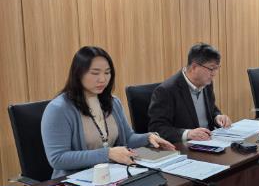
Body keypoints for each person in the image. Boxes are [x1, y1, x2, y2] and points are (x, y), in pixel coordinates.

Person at [41, 46, 175, 178]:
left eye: (107, 72)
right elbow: (58, 158)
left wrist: (148, 138)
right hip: (75, 182)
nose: (103, 79)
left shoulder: (113, 102)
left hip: (113, 175)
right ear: (78, 73)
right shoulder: (59, 109)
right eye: (95, 73)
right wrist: (108, 153)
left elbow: (127, 139)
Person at [148, 43, 231, 144]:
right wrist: (188, 134)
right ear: (194, 67)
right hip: (184, 147)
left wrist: (217, 117)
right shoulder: (166, 91)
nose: (214, 73)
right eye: (211, 68)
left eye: (217, 68)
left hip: (210, 142)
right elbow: (157, 128)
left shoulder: (207, 83)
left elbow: (212, 109)